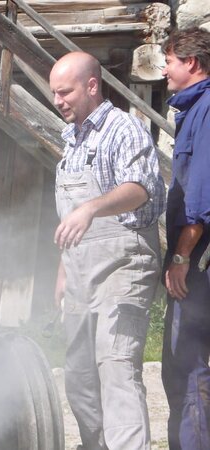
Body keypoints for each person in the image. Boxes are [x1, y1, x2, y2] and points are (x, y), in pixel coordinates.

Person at [50, 52, 165, 450]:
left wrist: (91, 207)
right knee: (79, 374)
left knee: (116, 365)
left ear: (92, 86)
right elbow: (71, 219)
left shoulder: (123, 129)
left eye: (65, 92)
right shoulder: (73, 138)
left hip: (124, 264)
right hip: (81, 270)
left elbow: (140, 188)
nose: (58, 100)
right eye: (53, 94)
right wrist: (64, 271)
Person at [160, 27, 210, 450]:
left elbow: (201, 196)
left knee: (187, 366)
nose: (164, 70)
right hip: (195, 257)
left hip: (198, 262)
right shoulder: (193, 109)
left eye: (169, 61)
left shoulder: (208, 108)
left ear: (190, 63)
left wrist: (180, 259)